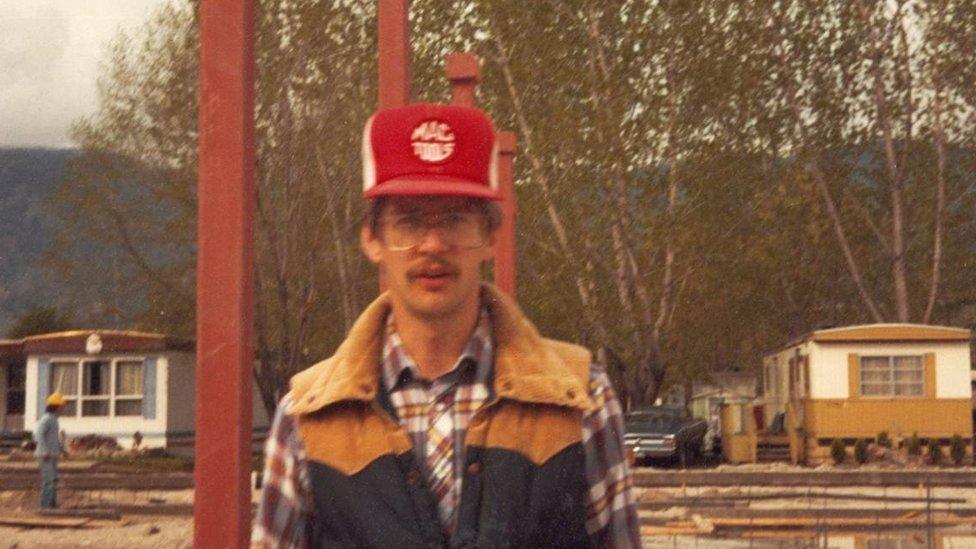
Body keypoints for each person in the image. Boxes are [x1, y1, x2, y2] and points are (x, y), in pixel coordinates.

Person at [253, 104, 639, 547]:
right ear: (372, 240)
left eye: (455, 219)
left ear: (491, 236)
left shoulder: (581, 398)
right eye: (409, 222)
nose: (433, 245)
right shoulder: (307, 416)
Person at [35, 392, 65, 509]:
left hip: (52, 454)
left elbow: (54, 438)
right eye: (61, 407)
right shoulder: (46, 419)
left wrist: (62, 450)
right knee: (48, 480)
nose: (63, 409)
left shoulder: (54, 420)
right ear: (56, 406)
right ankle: (45, 506)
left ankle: (52, 504)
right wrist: (43, 451)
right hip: (45, 455)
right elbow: (39, 435)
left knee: (53, 479)